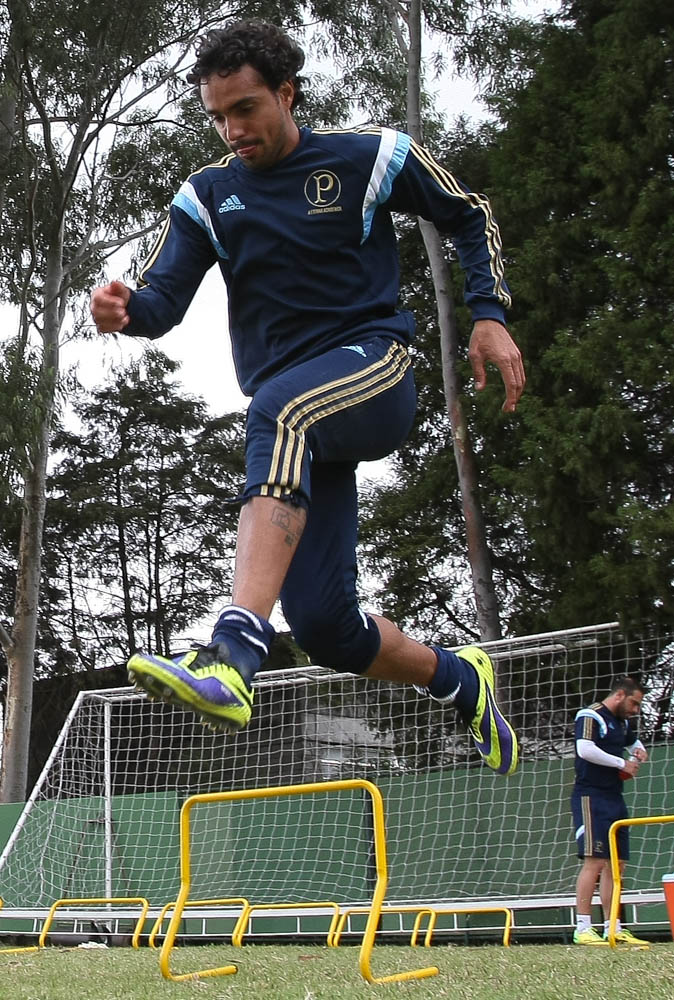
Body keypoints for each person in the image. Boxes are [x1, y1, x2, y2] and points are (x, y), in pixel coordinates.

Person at [90, 20, 524, 776]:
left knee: (279, 410)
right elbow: (161, 301)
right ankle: (462, 680)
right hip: (299, 425)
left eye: (246, 109)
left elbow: (468, 212)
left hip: (373, 370)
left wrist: (488, 314)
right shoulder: (208, 196)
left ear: (287, 94)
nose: (232, 130)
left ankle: (233, 649)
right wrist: (125, 310)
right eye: (218, 116)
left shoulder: (369, 156)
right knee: (324, 625)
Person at [571, 676, 649, 946]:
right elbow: (585, 749)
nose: (636, 709)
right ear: (619, 695)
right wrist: (621, 763)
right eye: (634, 703)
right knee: (595, 861)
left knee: (617, 865)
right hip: (591, 797)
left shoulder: (623, 722)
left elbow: (632, 742)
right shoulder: (591, 715)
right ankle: (582, 927)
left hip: (615, 797)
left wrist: (639, 751)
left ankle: (612, 926)